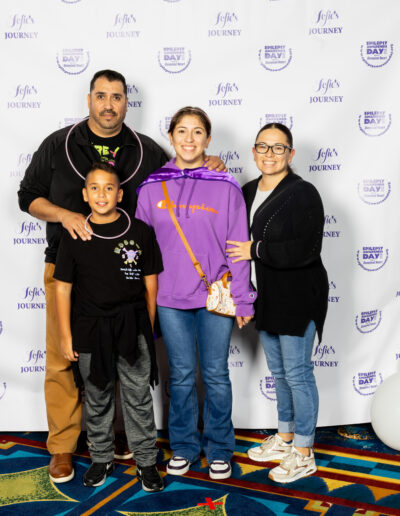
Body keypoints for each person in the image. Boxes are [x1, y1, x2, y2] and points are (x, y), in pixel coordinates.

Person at [17, 69, 225, 483]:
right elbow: (28, 197)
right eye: (101, 96)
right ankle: (62, 446)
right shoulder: (58, 144)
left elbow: (181, 173)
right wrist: (65, 216)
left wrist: (209, 163)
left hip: (125, 272)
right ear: (89, 99)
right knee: (63, 357)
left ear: (127, 103)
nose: (108, 104)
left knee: (124, 358)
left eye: (116, 97)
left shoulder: (145, 149)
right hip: (66, 266)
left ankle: (119, 437)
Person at [136, 106, 256, 480]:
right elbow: (140, 250)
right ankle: (185, 447)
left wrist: (243, 297)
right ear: (171, 137)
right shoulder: (151, 187)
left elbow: (238, 246)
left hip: (214, 295)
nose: (189, 139)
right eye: (182, 131)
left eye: (198, 132)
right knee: (182, 375)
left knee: (216, 374)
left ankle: (219, 448)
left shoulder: (226, 186)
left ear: (208, 139)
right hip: (169, 299)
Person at [226, 123, 328, 483]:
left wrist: (255, 249)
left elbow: (307, 249)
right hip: (266, 296)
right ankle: (285, 438)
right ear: (254, 152)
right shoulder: (247, 190)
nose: (270, 154)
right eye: (263, 147)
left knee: (298, 374)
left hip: (298, 295)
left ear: (291, 153)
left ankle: (304, 452)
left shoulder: (303, 192)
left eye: (278, 147)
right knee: (280, 373)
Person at [54, 162, 164, 491]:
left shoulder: (140, 231)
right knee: (97, 396)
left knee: (138, 396)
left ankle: (146, 460)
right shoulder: (74, 233)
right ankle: (101, 458)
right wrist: (66, 336)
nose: (102, 194)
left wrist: (146, 329)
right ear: (85, 195)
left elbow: (151, 284)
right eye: (95, 188)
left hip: (132, 327)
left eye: (109, 187)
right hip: (90, 329)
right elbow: (63, 288)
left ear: (119, 194)